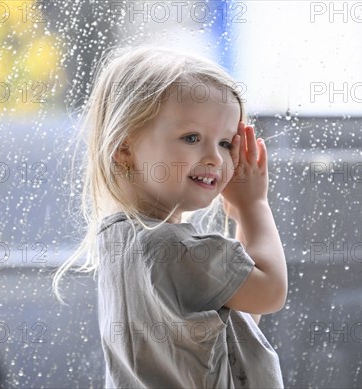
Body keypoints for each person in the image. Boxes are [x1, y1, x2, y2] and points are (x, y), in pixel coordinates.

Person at [52, 45, 288, 388]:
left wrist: (240, 218)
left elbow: (241, 317)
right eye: (191, 138)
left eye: (225, 143)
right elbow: (269, 291)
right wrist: (253, 207)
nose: (215, 159)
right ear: (124, 148)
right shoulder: (171, 247)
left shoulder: (119, 240)